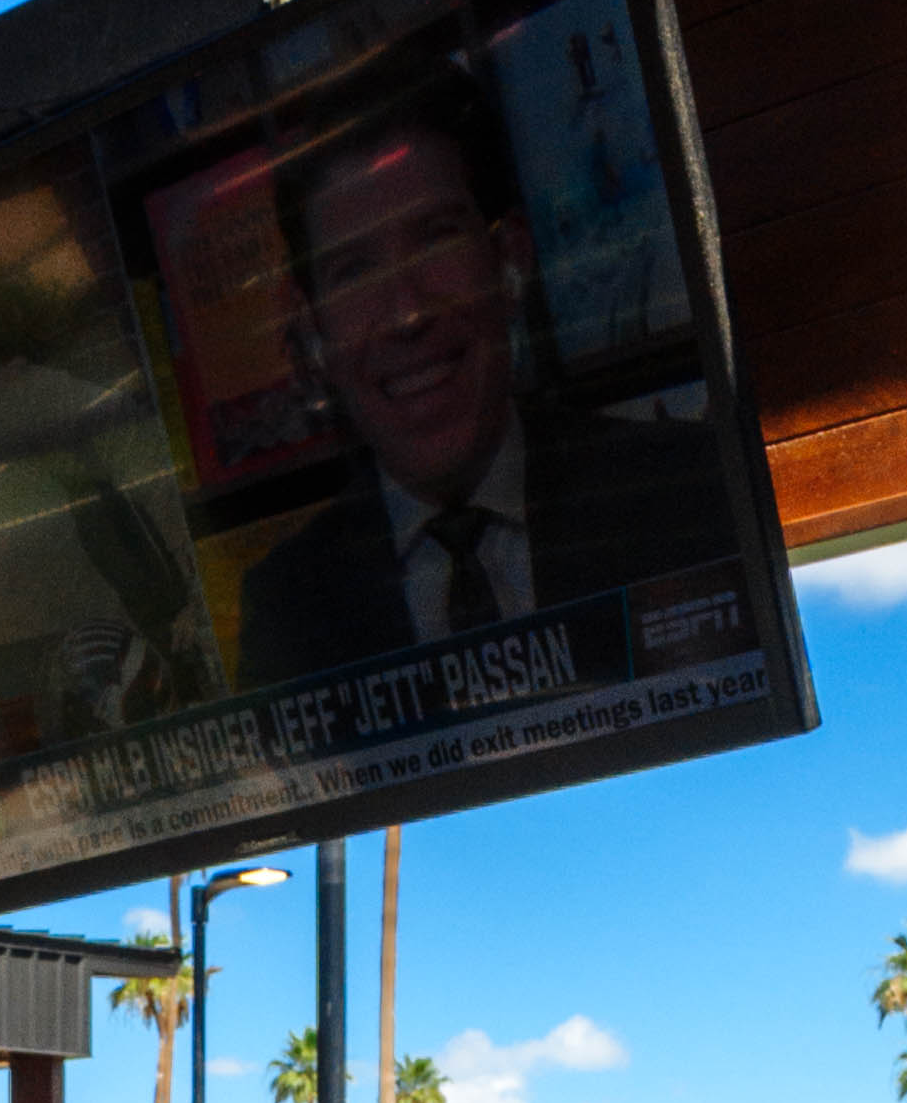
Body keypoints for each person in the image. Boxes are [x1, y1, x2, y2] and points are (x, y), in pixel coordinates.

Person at [220, 107, 720, 700]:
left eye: (437, 238)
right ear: (311, 327)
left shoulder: (687, 488)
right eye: (354, 270)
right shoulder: (286, 610)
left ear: (510, 259)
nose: (407, 313)